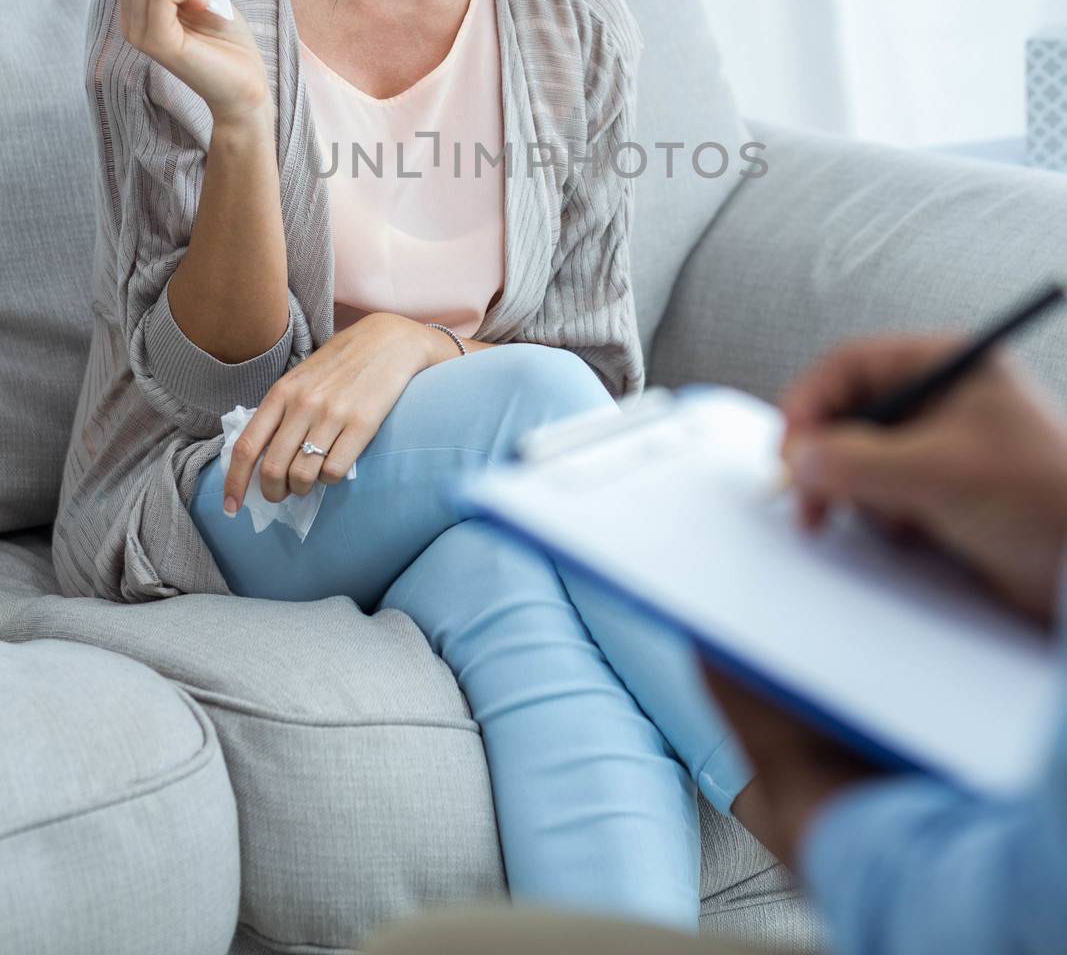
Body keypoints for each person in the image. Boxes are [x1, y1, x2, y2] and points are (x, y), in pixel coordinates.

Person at [59, 0, 799, 938]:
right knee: (533, 414)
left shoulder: (574, 20)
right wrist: (235, 115)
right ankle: (836, 800)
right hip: (217, 492)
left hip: (457, 496)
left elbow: (585, 353)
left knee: (529, 607)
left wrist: (413, 344)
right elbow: (191, 381)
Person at [360, 329, 1067, 955]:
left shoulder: (566, 173)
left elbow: (606, 363)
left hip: (482, 512)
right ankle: (774, 789)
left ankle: (780, 791)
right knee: (547, 392)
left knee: (500, 575)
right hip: (307, 470)